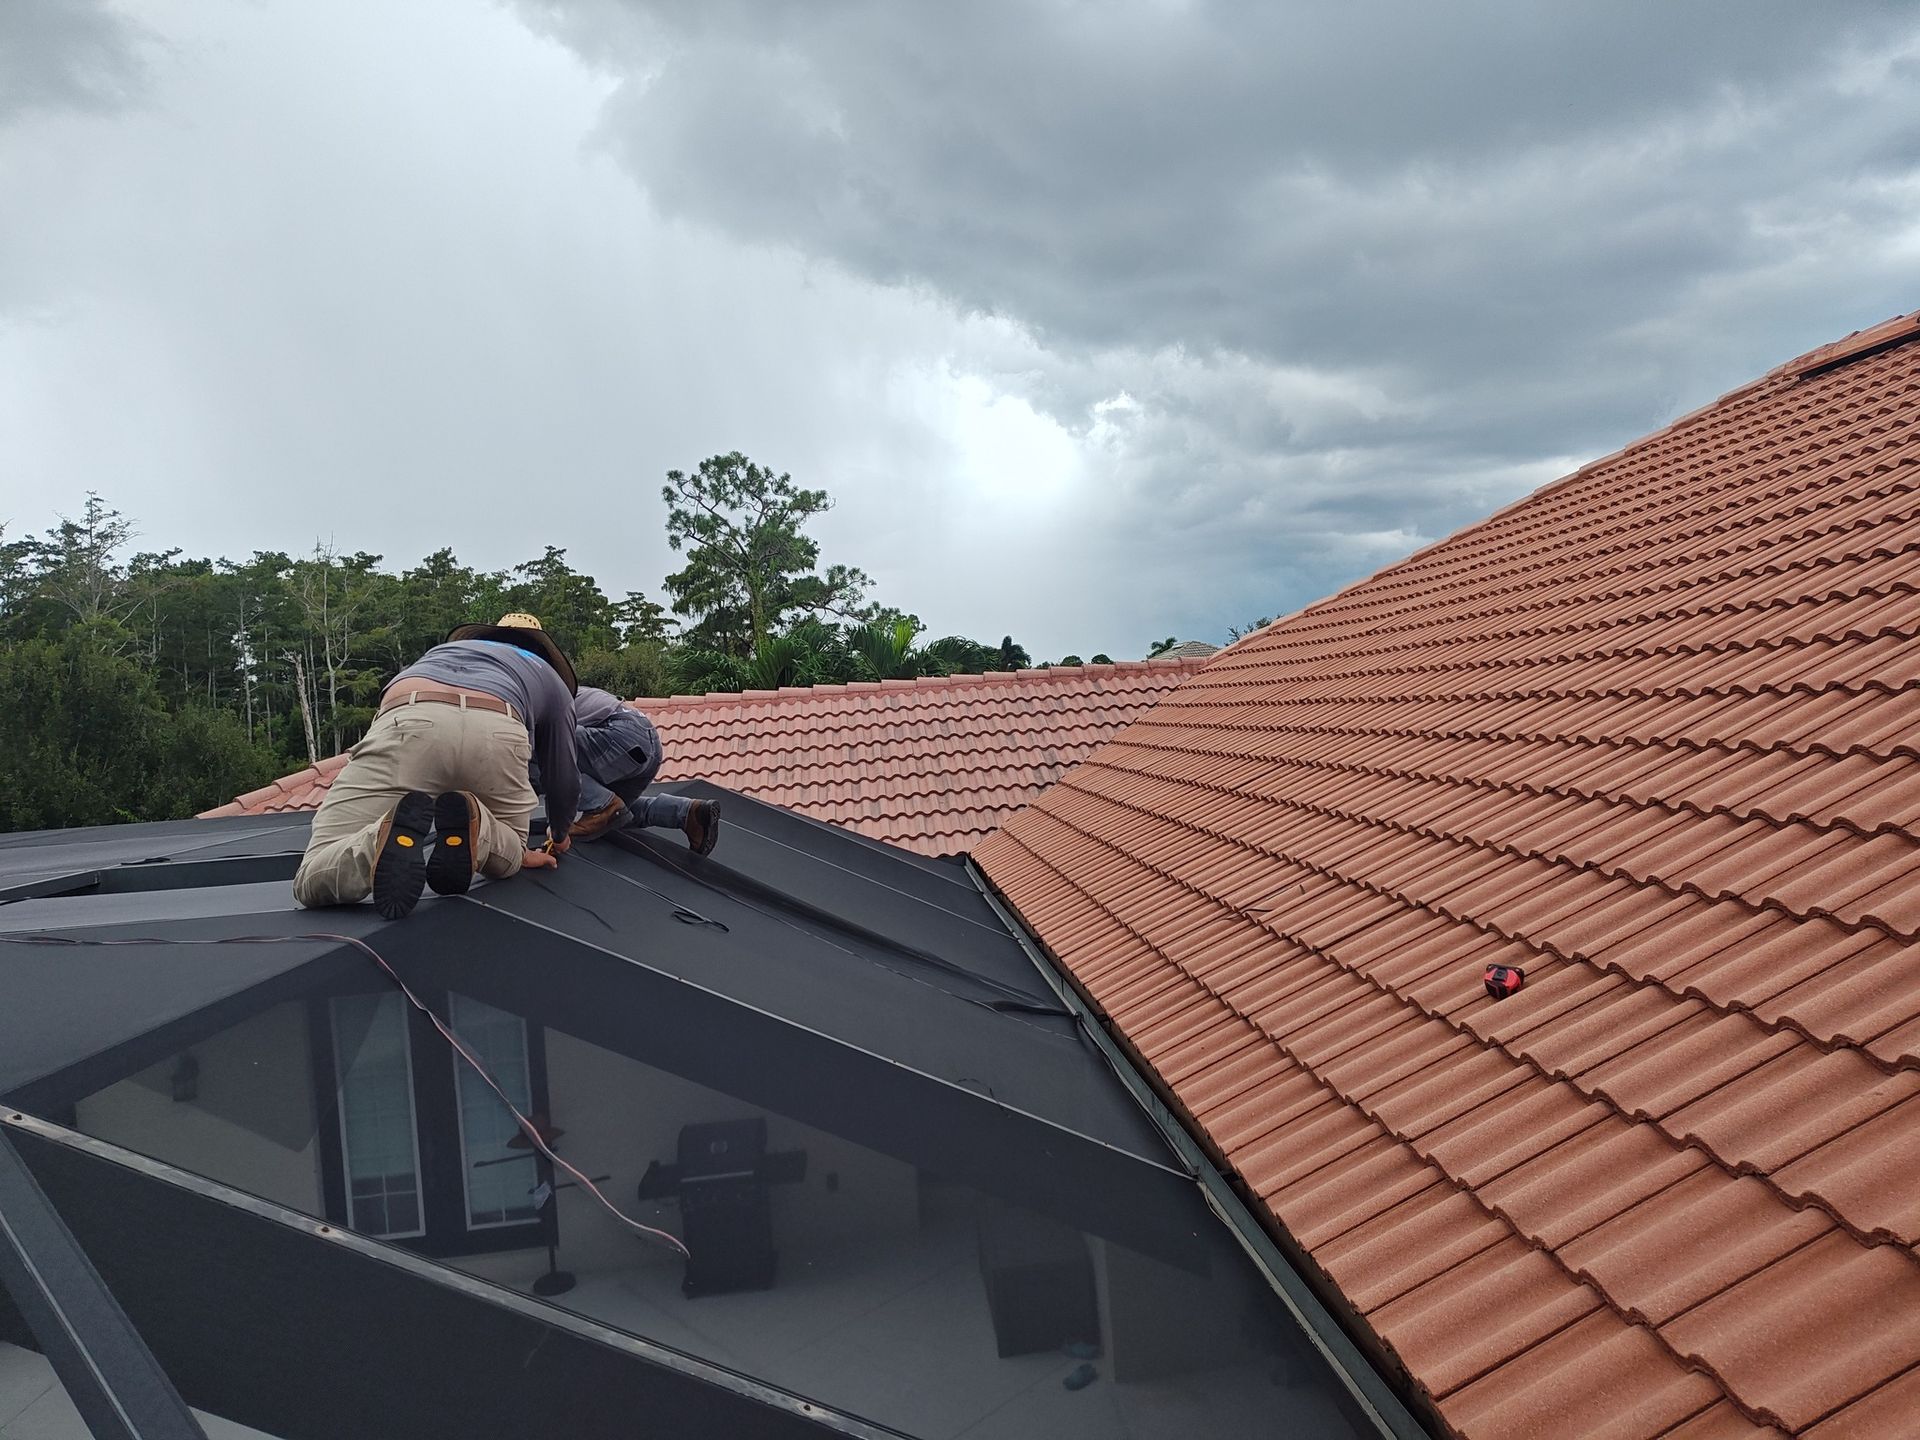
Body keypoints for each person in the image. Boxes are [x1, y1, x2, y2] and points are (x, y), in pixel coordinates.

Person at [292, 612, 582, 919]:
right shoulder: (549, 678)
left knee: (314, 871)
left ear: (482, 638)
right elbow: (563, 778)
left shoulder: (437, 655)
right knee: (511, 847)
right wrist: (560, 834)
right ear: (543, 653)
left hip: (412, 715)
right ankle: (481, 831)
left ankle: (376, 842)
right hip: (499, 725)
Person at [563, 686, 721, 853]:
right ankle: (686, 813)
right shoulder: (563, 689)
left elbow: (548, 765)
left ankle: (603, 805)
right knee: (615, 818)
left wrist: (557, 830)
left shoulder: (540, 701)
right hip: (647, 740)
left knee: (543, 748)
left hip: (618, 736)